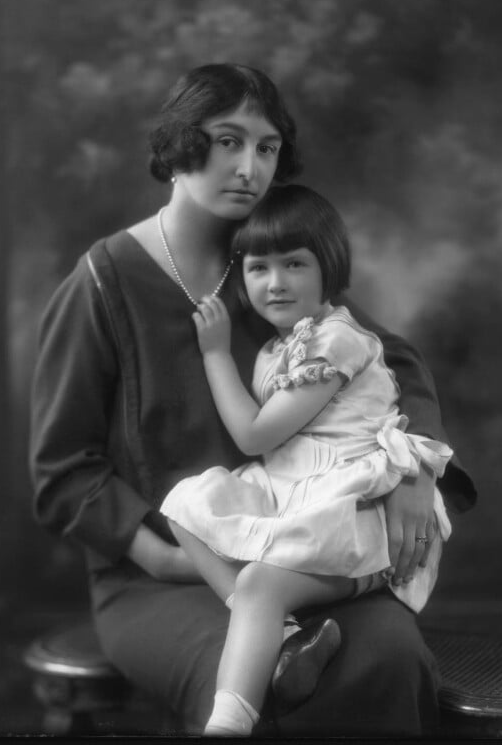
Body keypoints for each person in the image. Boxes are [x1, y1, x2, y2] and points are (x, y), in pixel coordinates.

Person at [30, 63, 476, 736]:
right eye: (227, 141)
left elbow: (390, 361)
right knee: (269, 684)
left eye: (266, 148)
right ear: (181, 143)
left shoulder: (269, 264)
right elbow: (63, 471)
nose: (249, 167)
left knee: (388, 658)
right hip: (162, 579)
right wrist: (164, 556)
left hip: (301, 543)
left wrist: (416, 467)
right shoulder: (101, 282)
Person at [161, 183, 455, 736]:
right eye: (257, 268)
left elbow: (253, 436)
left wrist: (216, 353)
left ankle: (226, 726)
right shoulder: (282, 347)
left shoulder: (335, 339)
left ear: (329, 267)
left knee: (258, 585)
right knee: (185, 507)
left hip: (356, 507)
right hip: (297, 490)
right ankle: (288, 635)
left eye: (294, 264)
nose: (274, 283)